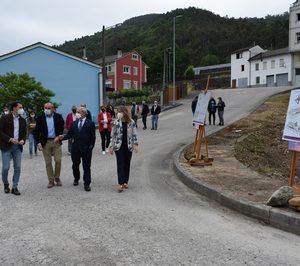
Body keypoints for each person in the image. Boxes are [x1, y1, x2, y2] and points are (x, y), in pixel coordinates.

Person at [59, 107, 95, 191]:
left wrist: (91, 147)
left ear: (84, 113)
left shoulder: (90, 123)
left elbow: (93, 137)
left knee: (86, 167)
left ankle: (87, 183)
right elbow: (69, 135)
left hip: (86, 149)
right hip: (75, 148)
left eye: (79, 112)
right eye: (76, 112)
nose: (77, 113)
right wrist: (62, 137)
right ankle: (76, 178)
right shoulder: (74, 123)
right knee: (75, 165)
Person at [35, 102, 65, 188]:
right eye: (45, 108)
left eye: (48, 108)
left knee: (58, 160)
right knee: (48, 162)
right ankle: (51, 180)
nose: (47, 110)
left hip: (56, 141)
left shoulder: (58, 117)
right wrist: (38, 143)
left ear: (52, 109)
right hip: (45, 142)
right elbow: (37, 132)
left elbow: (61, 127)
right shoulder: (40, 118)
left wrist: (58, 136)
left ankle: (57, 177)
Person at [109, 106, 138, 192]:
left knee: (127, 164)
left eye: (120, 112)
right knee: (120, 164)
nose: (118, 114)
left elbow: (134, 134)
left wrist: (135, 144)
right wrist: (111, 146)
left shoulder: (131, 122)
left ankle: (125, 181)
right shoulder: (116, 122)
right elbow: (113, 135)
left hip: (128, 146)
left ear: (124, 112)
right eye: (117, 112)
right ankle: (120, 183)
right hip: (119, 147)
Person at [0, 102, 26, 195]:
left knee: (18, 167)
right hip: (6, 146)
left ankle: (15, 187)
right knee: (5, 168)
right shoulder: (4, 118)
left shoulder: (23, 120)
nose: (22, 109)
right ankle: (6, 184)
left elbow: (24, 133)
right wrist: (10, 139)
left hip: (17, 147)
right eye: (20, 107)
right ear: (14, 108)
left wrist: (23, 140)